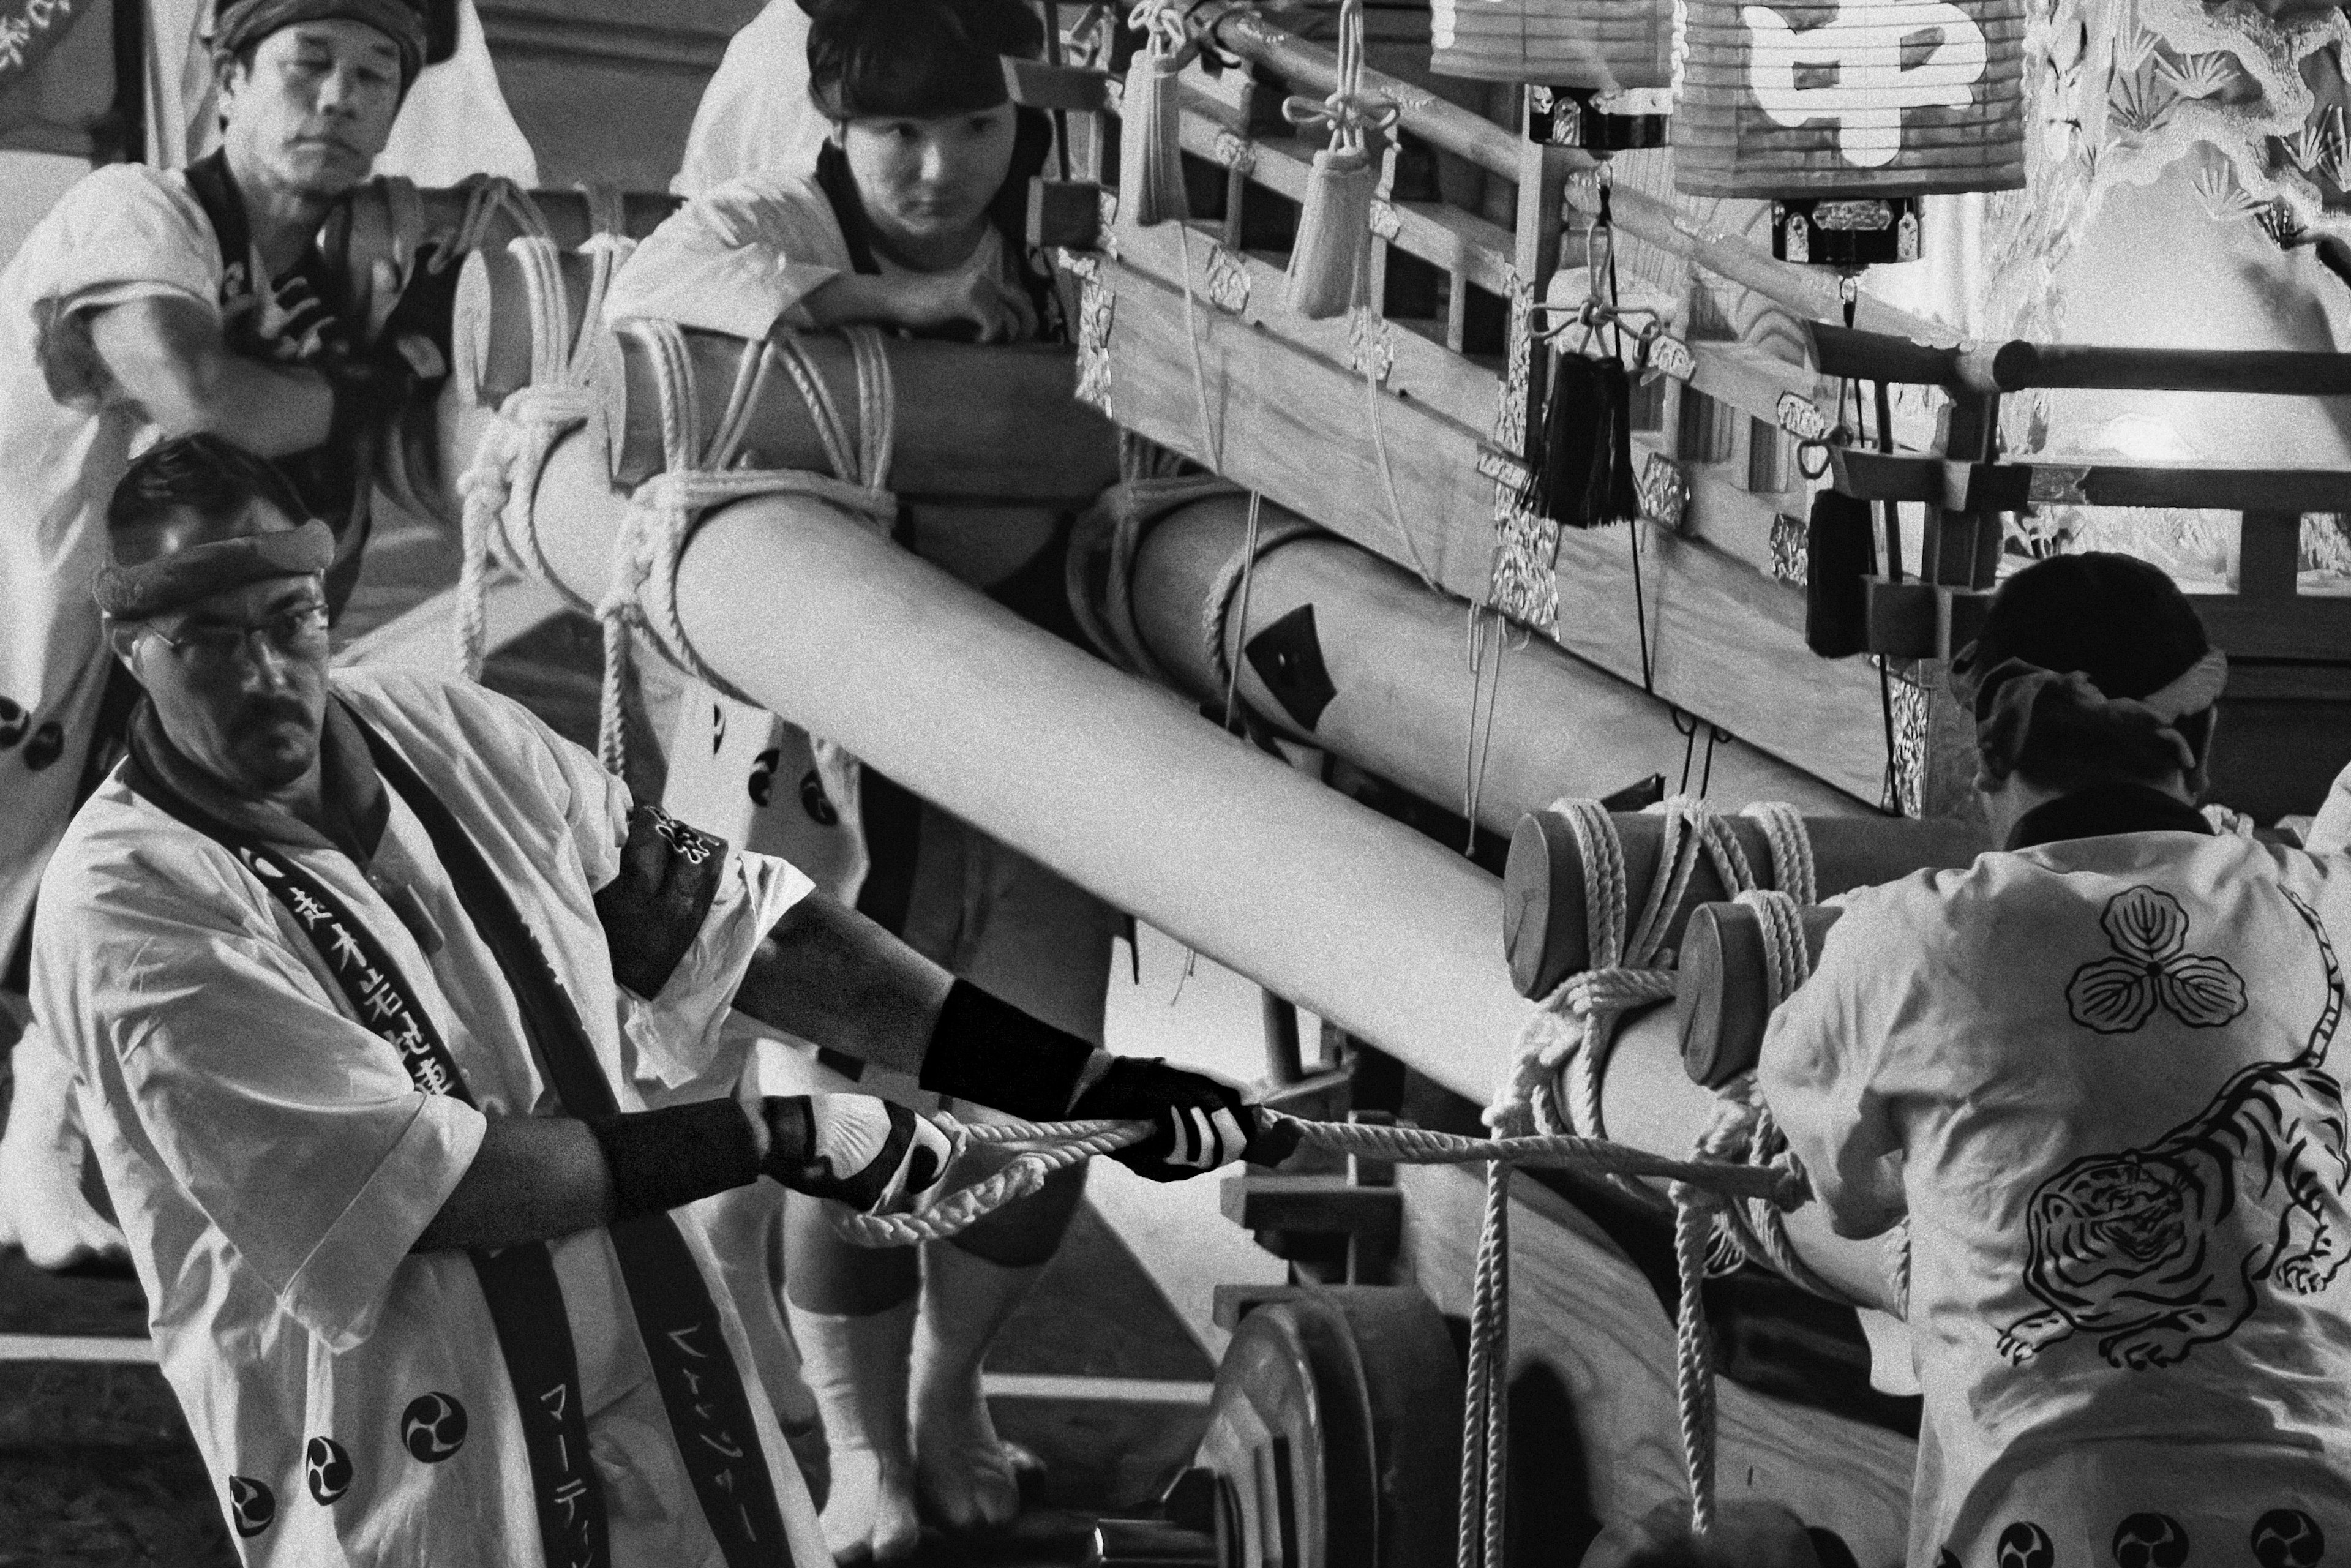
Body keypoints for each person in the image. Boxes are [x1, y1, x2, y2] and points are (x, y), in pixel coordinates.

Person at [34, 432, 1261, 1566]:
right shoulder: (132, 911)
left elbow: (740, 932)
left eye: (288, 619)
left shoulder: (450, 735)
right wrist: (768, 1136)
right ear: (130, 651)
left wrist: (1076, 1082)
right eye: (204, 643)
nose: (263, 672)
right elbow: (436, 1187)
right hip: (409, 1447)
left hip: (653, 1367)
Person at [601, 1, 1104, 1558]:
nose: (940, 167)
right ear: (831, 116)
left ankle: (952, 1389)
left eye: (973, 128)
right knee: (846, 1112)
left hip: (1043, 709)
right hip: (816, 735)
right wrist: (890, 305)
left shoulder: (1067, 215)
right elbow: (649, 295)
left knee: (1046, 1102)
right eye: (897, 133)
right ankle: (861, 1447)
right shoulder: (770, 214)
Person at [1758, 552, 2351, 1559]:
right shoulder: (2325, 909)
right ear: (2200, 738)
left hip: (2040, 1530)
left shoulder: (1911, 939)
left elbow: (1849, 1196)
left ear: (1988, 758)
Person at [0, 0, 439, 1272]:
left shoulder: (340, 262)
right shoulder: (138, 209)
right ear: (230, 81)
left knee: (125, 880)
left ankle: (41, 1145)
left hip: (108, 645)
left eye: (374, 77)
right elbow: (201, 395)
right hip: (18, 617)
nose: (341, 100)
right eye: (308, 66)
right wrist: (372, 395)